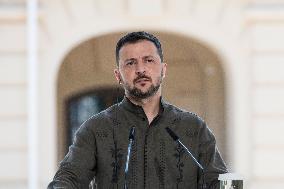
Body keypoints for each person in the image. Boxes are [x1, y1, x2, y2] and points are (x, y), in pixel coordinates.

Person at [48, 31, 227, 189]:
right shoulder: (96, 129)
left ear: (163, 70)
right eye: (130, 63)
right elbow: (69, 177)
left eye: (148, 60)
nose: (140, 69)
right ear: (118, 75)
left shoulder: (194, 128)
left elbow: (218, 181)